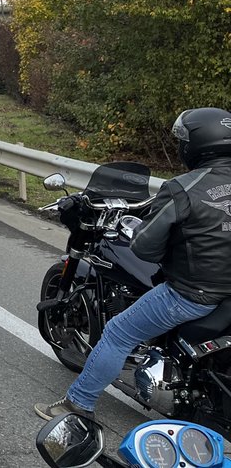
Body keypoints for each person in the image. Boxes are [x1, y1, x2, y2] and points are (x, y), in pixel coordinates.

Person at [35, 108, 231, 421]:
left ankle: (77, 405)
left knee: (118, 332)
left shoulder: (182, 188)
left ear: (194, 145)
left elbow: (145, 248)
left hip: (195, 294)